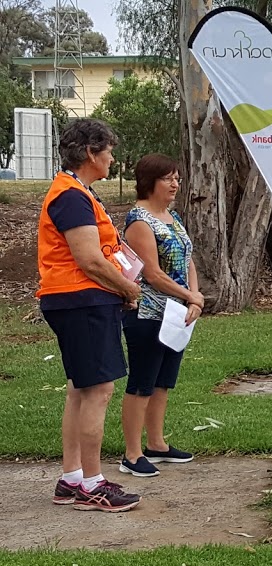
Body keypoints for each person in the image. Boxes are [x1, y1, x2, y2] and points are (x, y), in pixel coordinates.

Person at [37, 118, 143, 512]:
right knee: (99, 390)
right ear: (89, 154)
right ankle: (92, 485)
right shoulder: (71, 196)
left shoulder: (78, 192)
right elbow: (88, 259)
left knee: (80, 389)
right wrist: (127, 287)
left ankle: (72, 478)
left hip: (77, 300)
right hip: (82, 300)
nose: (113, 159)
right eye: (109, 151)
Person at [119, 154, 201, 477]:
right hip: (148, 313)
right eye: (169, 178)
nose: (175, 184)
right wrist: (189, 296)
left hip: (176, 313)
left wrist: (194, 297)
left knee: (163, 381)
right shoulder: (140, 221)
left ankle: (157, 443)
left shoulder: (172, 216)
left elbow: (188, 258)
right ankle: (132, 453)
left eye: (177, 178)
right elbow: (151, 274)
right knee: (142, 381)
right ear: (150, 181)